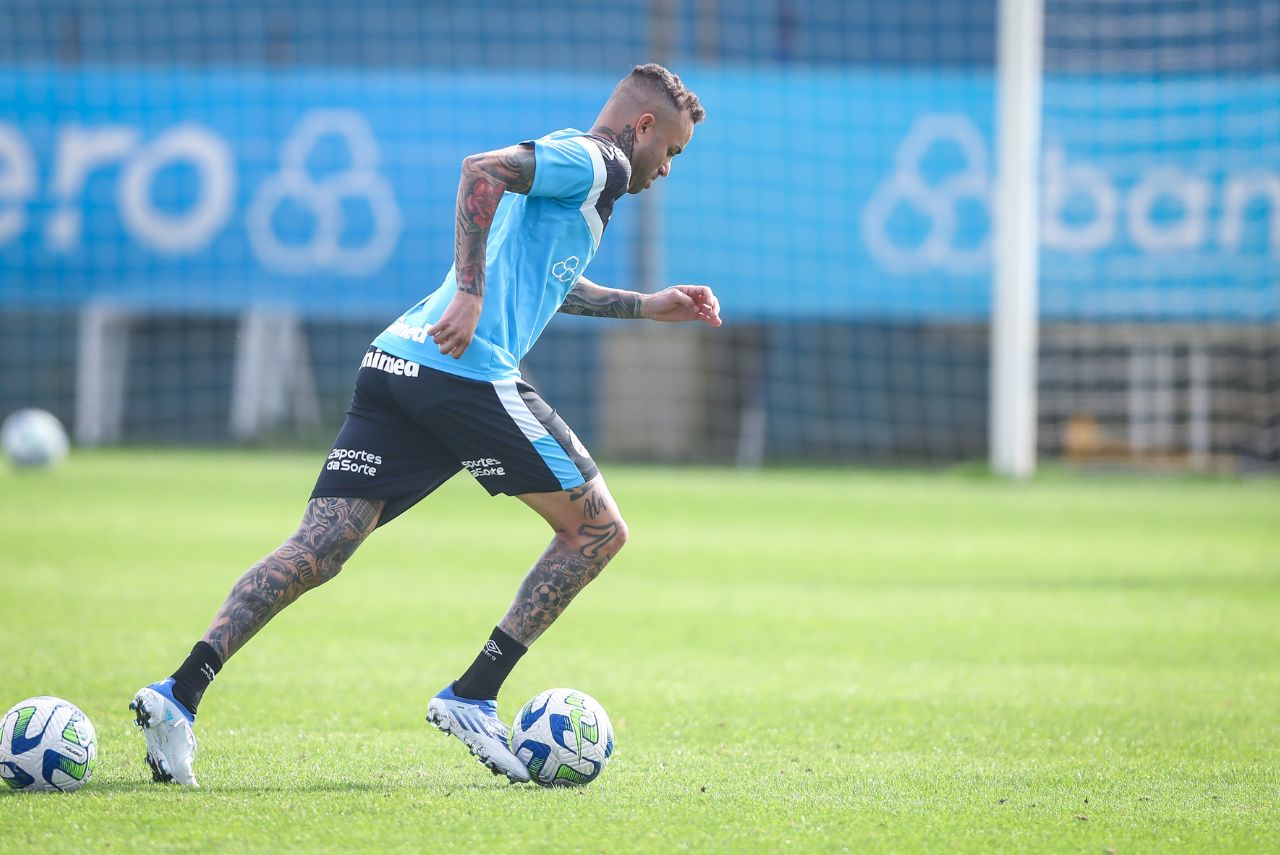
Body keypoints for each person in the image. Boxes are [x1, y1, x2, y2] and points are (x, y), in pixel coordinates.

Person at [129, 63, 718, 786]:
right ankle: (473, 693)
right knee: (597, 530)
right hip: (463, 369)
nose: (666, 170)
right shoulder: (601, 159)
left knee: (320, 548)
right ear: (645, 127)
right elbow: (481, 170)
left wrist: (646, 304)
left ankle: (177, 694)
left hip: (397, 361)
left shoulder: (585, 182)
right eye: (673, 152)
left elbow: (549, 280)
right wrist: (468, 293)